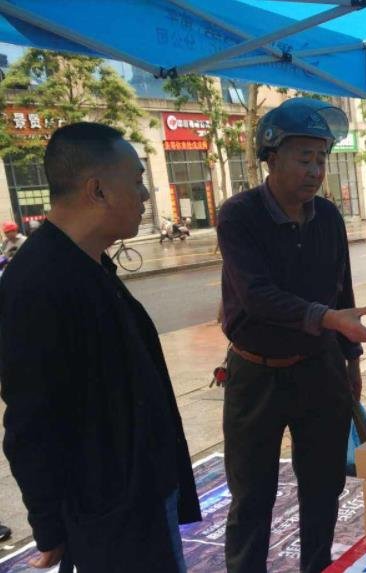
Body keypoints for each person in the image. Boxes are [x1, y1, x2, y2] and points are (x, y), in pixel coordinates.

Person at [0, 122, 201, 573]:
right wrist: (48, 525)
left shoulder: (89, 261)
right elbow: (30, 420)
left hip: (144, 491)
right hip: (111, 513)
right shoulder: (38, 281)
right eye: (137, 180)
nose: (145, 195)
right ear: (97, 190)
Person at [216, 98, 366, 573]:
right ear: (271, 159)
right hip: (255, 374)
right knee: (252, 495)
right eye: (304, 158)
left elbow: (342, 290)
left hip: (320, 369)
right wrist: (329, 319)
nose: (315, 171)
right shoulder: (238, 216)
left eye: (321, 159)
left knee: (323, 485)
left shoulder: (328, 217)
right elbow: (257, 296)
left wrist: (351, 360)